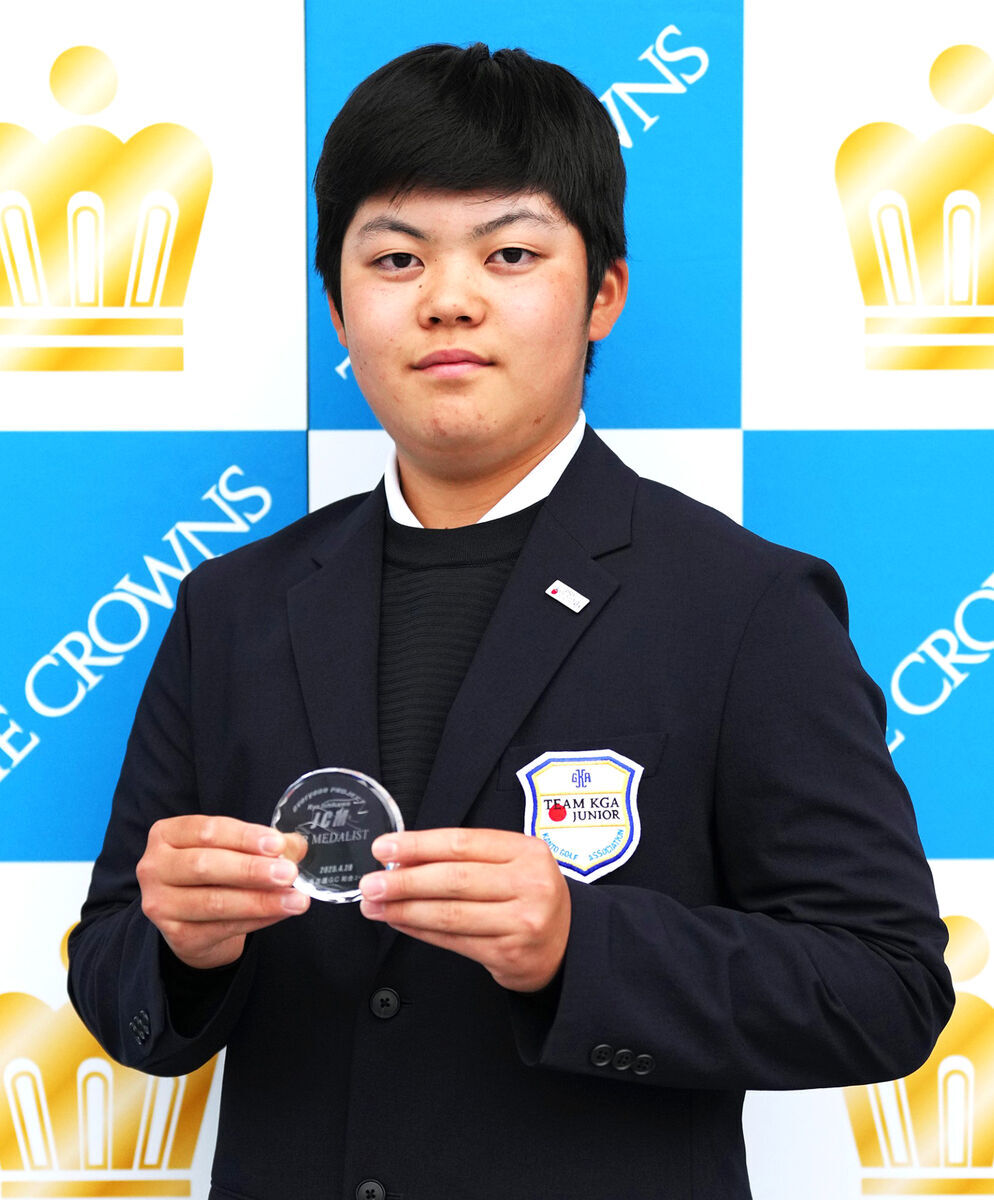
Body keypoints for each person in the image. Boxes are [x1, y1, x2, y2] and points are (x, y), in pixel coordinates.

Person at [68, 42, 953, 1200]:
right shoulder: (230, 607)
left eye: (511, 252)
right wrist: (182, 947)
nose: (448, 297)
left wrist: (580, 946)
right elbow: (114, 973)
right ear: (337, 306)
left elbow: (887, 989)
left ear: (602, 295)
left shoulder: (745, 606)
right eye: (396, 257)